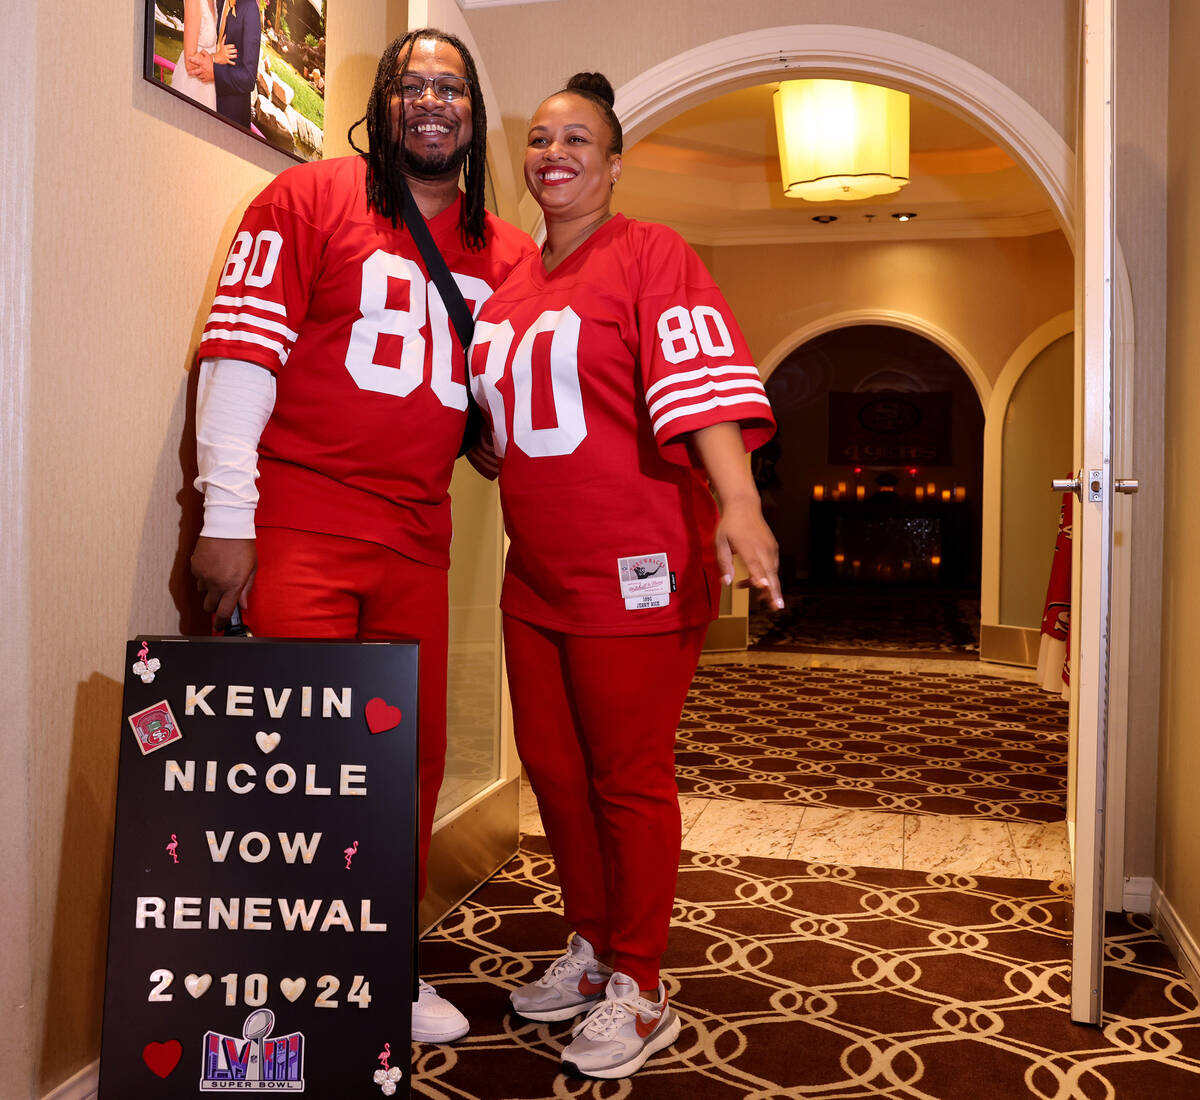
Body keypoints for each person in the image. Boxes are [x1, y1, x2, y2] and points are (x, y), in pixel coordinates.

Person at [189, 28, 536, 1043]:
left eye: (452, 87)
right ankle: (277, 988)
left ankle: (379, 963)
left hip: (419, 539)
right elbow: (243, 357)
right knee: (288, 761)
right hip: (298, 523)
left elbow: (507, 397)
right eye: (411, 85)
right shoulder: (306, 197)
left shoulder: (506, 248)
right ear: (381, 105)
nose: (432, 101)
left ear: (475, 113)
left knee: (405, 766)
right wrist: (225, 517)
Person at [468, 72, 782, 1079]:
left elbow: (703, 392)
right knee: (556, 776)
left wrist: (738, 500)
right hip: (537, 575)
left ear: (613, 160)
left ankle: (641, 984)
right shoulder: (511, 286)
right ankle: (594, 945)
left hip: (634, 568)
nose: (555, 152)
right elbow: (505, 428)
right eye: (543, 136)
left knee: (626, 778)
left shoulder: (652, 252)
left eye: (579, 138)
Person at [170, 0, 235, 111]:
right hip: (190, 87)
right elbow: (190, 62)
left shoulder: (214, 2)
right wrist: (218, 57)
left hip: (206, 85)